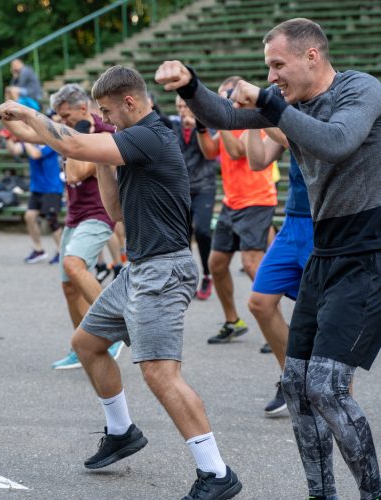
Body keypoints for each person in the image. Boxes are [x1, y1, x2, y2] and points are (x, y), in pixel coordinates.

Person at [155, 17, 381, 500]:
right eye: (268, 68)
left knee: (327, 387)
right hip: (325, 251)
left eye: (278, 64)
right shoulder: (290, 103)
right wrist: (192, 85)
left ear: (312, 56)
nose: (273, 75)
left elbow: (337, 142)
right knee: (298, 387)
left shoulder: (360, 90)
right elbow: (224, 117)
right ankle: (322, 494)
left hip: (369, 252)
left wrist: (269, 100)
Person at [0, 65, 242, 500]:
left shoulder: (151, 135)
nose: (106, 120)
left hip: (164, 270)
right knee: (87, 344)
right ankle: (122, 431)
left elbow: (68, 140)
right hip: (141, 268)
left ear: (130, 102)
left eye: (109, 112)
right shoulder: (129, 145)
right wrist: (99, 162)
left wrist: (31, 115)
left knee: (160, 374)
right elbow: (116, 212)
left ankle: (216, 473)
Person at [195, 76, 277, 344]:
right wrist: (201, 127)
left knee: (252, 264)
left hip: (257, 199)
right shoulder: (227, 125)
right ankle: (232, 321)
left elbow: (237, 152)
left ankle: (274, 324)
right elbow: (210, 152)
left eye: (224, 98)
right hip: (232, 202)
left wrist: (220, 120)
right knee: (216, 264)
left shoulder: (253, 121)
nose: (221, 103)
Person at [46, 83, 123, 369]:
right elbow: (34, 133)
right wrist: (12, 116)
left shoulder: (103, 133)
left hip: (99, 212)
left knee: (73, 264)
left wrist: (76, 133)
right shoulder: (70, 131)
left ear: (82, 109)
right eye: (58, 117)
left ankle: (114, 332)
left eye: (65, 116)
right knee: (69, 287)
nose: (61, 123)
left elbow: (75, 172)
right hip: (75, 215)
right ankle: (83, 346)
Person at [244, 128, 313, 418]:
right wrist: (249, 120)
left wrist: (268, 113)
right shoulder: (287, 114)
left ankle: (335, 400)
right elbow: (258, 161)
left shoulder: (333, 106)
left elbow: (307, 143)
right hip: (293, 221)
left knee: (325, 317)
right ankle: (293, 379)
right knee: (260, 302)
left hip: (326, 222)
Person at [173, 96, 217, 300]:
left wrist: (199, 126)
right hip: (182, 188)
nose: (183, 110)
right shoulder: (174, 127)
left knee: (202, 230)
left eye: (186, 106)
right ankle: (187, 277)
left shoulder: (207, 125)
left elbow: (211, 153)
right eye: (179, 106)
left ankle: (207, 274)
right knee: (183, 234)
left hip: (204, 187)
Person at [5, 134, 64, 264]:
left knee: (51, 220)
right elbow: (14, 150)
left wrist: (24, 139)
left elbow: (36, 154)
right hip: (37, 188)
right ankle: (38, 250)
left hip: (52, 188)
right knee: (29, 216)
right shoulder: (31, 143)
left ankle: (61, 252)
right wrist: (8, 138)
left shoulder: (50, 142)